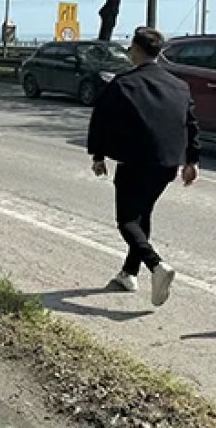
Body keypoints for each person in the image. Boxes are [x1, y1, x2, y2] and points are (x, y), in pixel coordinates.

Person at [87, 27, 200, 306]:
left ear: (136, 50)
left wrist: (98, 155)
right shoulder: (179, 85)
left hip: (134, 161)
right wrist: (192, 160)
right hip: (167, 163)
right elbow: (191, 124)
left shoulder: (124, 82)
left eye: (131, 49)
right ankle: (128, 273)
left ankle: (156, 266)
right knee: (143, 214)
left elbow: (101, 118)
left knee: (126, 220)